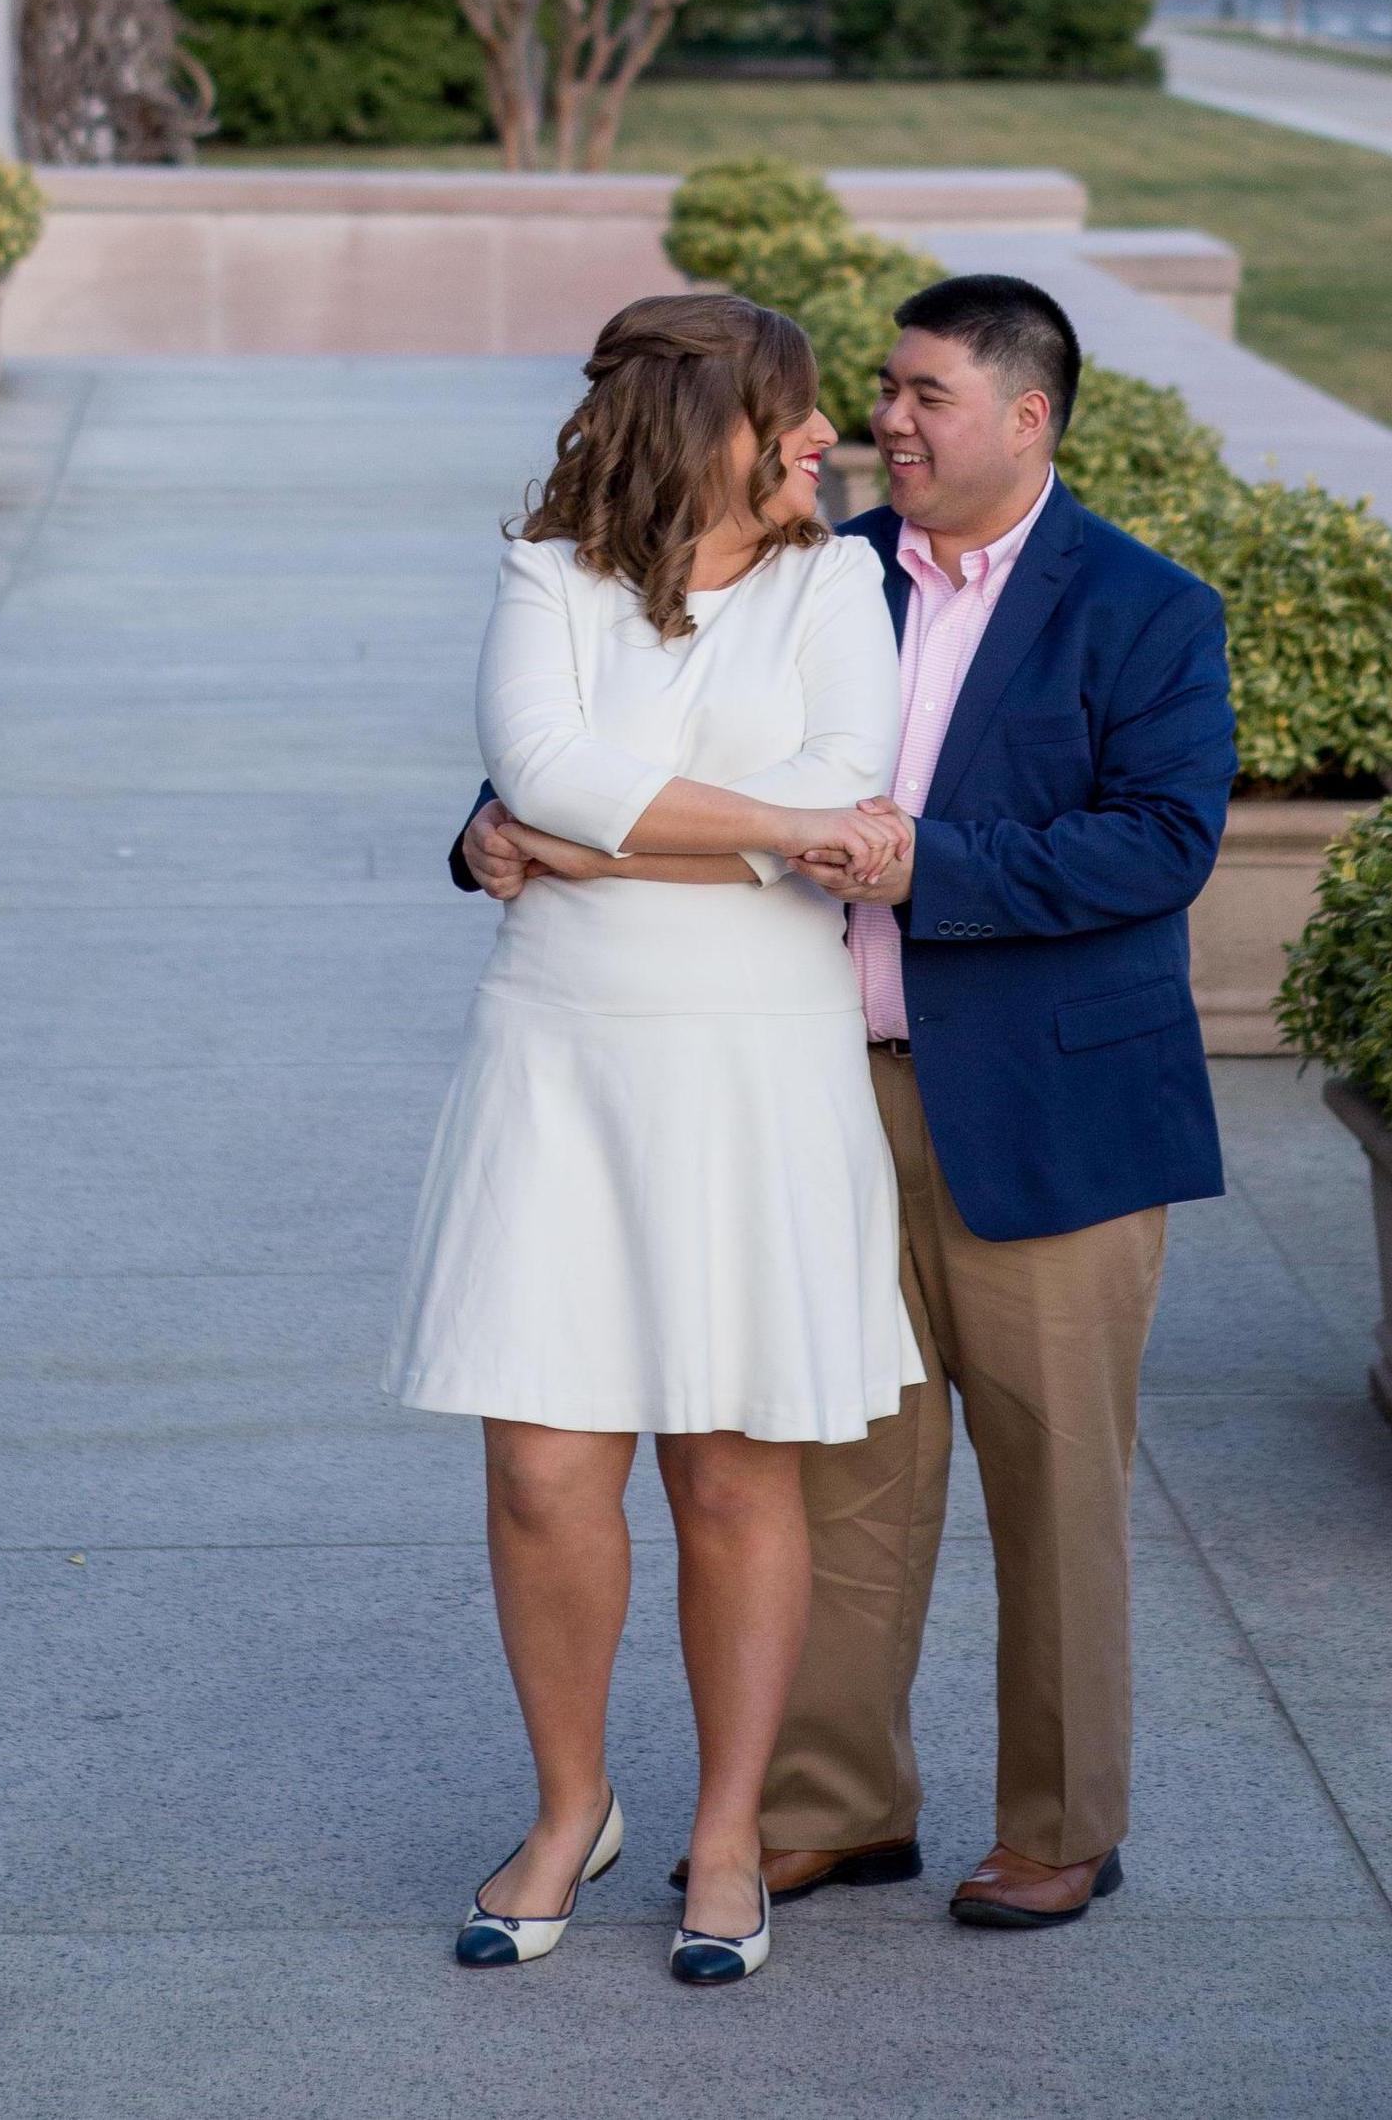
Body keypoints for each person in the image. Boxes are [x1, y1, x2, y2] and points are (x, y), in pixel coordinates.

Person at [459, 272, 1237, 1931]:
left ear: (1028, 419)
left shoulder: (1144, 607)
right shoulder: (821, 560)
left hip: (1042, 1111)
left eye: (926, 394)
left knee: (1051, 1480)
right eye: (881, 384)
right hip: (813, 1086)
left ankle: (1057, 1821)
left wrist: (911, 857)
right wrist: (492, 819)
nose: (885, 418)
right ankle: (827, 1803)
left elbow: (1157, 844)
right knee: (835, 1478)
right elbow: (612, 723)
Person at [387, 292, 924, 1986]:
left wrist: (585, 834)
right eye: (799, 414)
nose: (827, 442)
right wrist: (775, 832)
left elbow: (843, 785)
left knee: (727, 1463)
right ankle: (569, 1810)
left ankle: (721, 1832)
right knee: (544, 1465)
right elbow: (537, 767)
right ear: (708, 425)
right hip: (560, 1056)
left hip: (756, 1069)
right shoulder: (545, 578)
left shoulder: (839, 584)